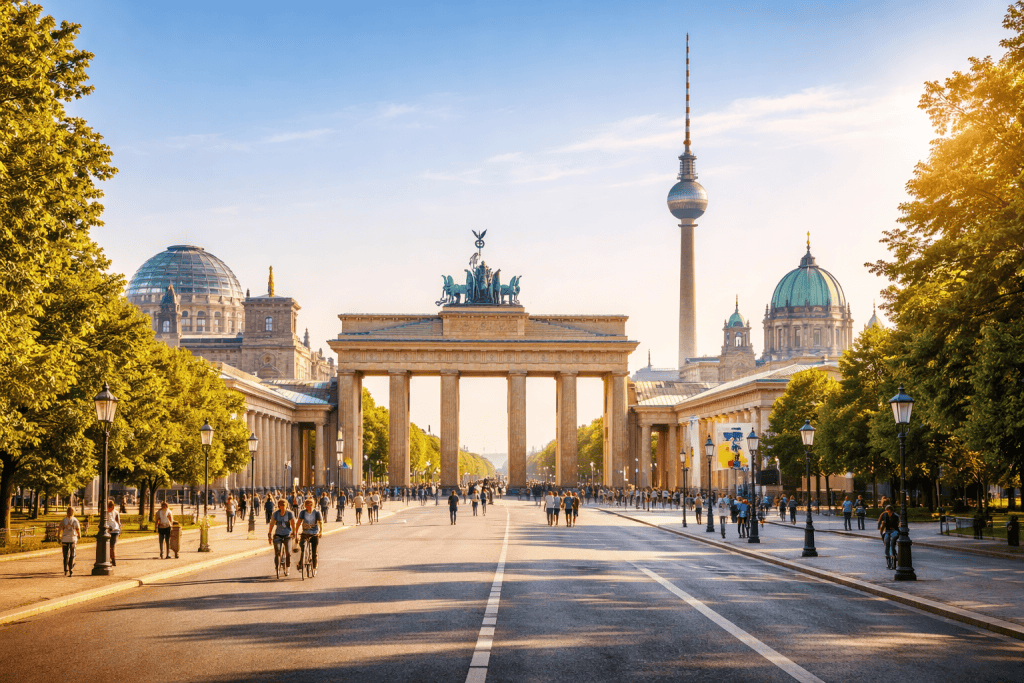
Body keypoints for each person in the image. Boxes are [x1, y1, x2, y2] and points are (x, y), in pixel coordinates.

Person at [268, 499, 295, 575]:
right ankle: (277, 567)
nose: (282, 507)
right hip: (278, 535)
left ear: (286, 506)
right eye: (281, 505)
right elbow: (272, 524)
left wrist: (294, 532)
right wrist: (269, 534)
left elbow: (293, 524)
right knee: (277, 552)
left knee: (288, 552)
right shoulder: (275, 514)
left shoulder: (290, 514)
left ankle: (287, 567)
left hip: (287, 535)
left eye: (284, 505)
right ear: (279, 506)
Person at [297, 498, 323, 572]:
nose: (309, 506)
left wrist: (321, 531)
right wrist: (295, 533)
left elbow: (320, 522)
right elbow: (298, 523)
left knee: (314, 552)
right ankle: (301, 563)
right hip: (305, 533)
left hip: (314, 533)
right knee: (302, 548)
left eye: (311, 505)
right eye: (307, 505)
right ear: (305, 505)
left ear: (313, 505)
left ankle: (315, 565)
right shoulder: (302, 512)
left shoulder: (317, 512)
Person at [878, 504, 901, 569]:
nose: (887, 511)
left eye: (888, 510)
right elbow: (881, 524)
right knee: (887, 543)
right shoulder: (884, 515)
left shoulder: (896, 516)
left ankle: (893, 557)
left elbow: (898, 524)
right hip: (887, 531)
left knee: (892, 542)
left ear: (890, 510)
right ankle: (888, 562)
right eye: (886, 510)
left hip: (894, 531)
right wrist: (881, 532)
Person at [59, 506, 81, 576]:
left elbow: (60, 529)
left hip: (65, 539)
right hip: (72, 539)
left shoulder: (63, 520)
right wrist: (79, 535)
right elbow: (78, 529)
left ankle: (66, 569)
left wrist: (58, 536)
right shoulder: (75, 520)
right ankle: (70, 569)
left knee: (65, 555)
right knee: (71, 554)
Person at [106, 499, 121, 566]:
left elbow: (118, 522)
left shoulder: (114, 512)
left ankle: (113, 559)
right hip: (114, 530)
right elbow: (118, 522)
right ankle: (112, 558)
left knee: (111, 546)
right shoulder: (107, 512)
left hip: (113, 530)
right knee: (111, 546)